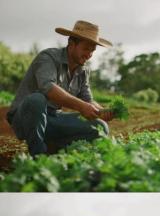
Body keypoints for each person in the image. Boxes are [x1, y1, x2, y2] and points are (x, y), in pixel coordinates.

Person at [6, 20, 114, 156]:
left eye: (92, 50)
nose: (89, 54)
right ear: (71, 44)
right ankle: (38, 156)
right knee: (37, 100)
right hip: (26, 118)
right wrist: (81, 107)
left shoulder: (83, 70)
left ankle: (55, 147)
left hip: (52, 119)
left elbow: (87, 100)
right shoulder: (48, 57)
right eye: (86, 48)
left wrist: (102, 111)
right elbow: (48, 88)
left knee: (100, 127)